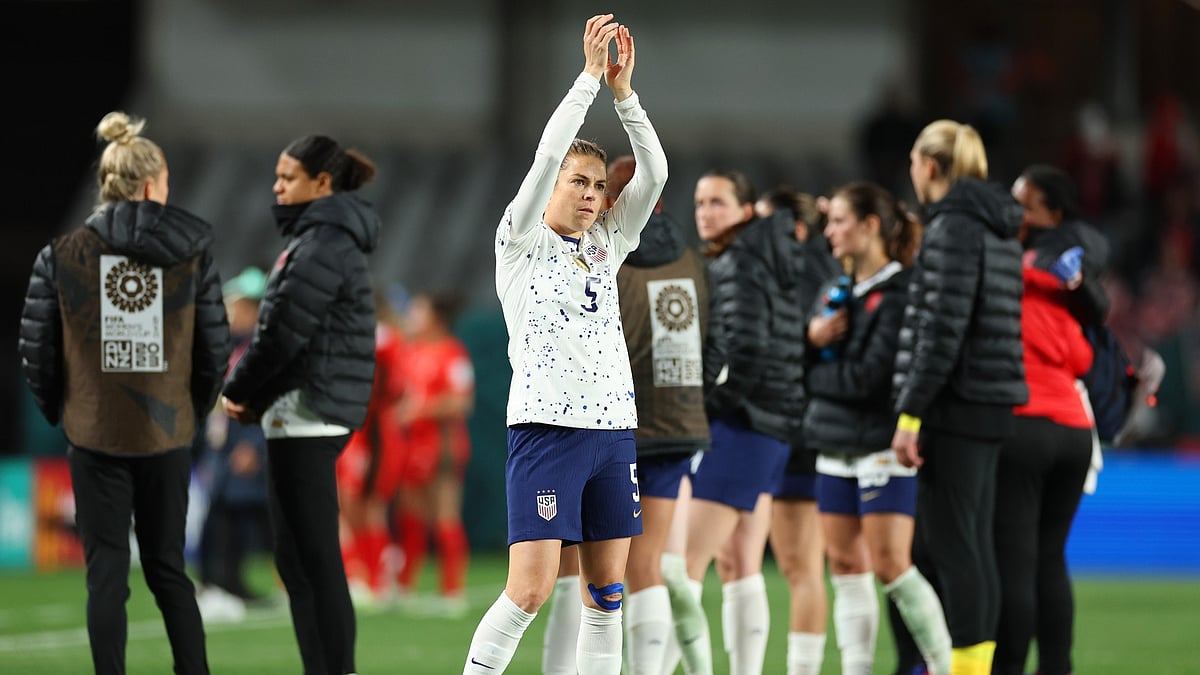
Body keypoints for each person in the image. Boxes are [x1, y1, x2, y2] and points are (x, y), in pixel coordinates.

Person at [462, 15, 667, 675]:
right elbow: (549, 153)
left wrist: (626, 97)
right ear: (549, 188)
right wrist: (586, 80)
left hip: (612, 432)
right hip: (547, 430)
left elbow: (656, 173)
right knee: (529, 589)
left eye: (598, 186)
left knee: (608, 592)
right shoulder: (519, 241)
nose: (590, 193)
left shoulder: (608, 243)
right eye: (578, 182)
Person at [19, 111, 230, 675]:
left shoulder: (60, 255)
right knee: (169, 571)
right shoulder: (192, 253)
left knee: (105, 573)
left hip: (93, 436)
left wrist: (65, 411)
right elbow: (214, 347)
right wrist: (191, 411)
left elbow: (37, 351)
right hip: (167, 434)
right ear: (148, 185)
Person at [540, 153, 709, 675]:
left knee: (572, 569)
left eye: (600, 191)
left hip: (610, 422)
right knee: (653, 568)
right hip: (681, 423)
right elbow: (716, 340)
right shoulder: (689, 258)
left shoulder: (609, 255)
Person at [222, 134, 381, 675]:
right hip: (304, 410)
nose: (277, 186)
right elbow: (289, 335)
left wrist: (241, 391)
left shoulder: (323, 243)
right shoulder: (321, 239)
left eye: (287, 177)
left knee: (314, 559)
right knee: (297, 558)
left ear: (322, 184)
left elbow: (284, 336)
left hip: (310, 413)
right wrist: (258, 396)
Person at [892, 120, 1028, 675]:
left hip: (956, 404)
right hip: (991, 402)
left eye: (913, 164)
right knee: (972, 548)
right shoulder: (997, 227)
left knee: (954, 552)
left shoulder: (952, 227)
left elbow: (941, 329)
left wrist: (910, 413)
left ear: (930, 166)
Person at [805, 182, 952, 675]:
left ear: (870, 226)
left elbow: (869, 380)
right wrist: (810, 342)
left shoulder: (901, 291)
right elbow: (807, 365)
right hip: (833, 447)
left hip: (879, 448)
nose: (831, 231)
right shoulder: (835, 290)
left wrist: (813, 372)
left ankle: (946, 665)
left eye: (840, 220)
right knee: (846, 569)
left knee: (891, 565)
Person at [685, 169, 808, 675]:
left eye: (718, 202)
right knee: (738, 564)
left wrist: (706, 407)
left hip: (743, 424)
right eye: (700, 203)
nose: (706, 213)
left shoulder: (739, 261)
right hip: (768, 425)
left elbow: (748, 352)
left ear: (746, 211)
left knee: (681, 568)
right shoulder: (766, 255)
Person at [992, 165, 1107, 675]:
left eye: (1025, 204)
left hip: (1024, 425)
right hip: (1075, 431)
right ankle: (1057, 668)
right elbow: (1084, 358)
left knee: (1014, 563)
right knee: (1051, 558)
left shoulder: (1009, 278)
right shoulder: (1064, 289)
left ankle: (1009, 668)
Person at [759, 186, 840, 675]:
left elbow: (797, 341)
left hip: (798, 428)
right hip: (795, 425)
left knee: (803, 567)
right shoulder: (815, 267)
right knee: (799, 567)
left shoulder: (803, 272)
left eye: (767, 222)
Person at [392, 291, 475, 615]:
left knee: (444, 514)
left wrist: (420, 410)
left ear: (436, 318)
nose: (412, 316)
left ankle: (452, 591)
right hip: (411, 446)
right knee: (410, 514)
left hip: (442, 445)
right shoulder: (410, 351)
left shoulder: (452, 353)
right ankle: (405, 586)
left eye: (418, 311)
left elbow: (461, 402)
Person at [197, 266, 272, 621]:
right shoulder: (231, 347)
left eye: (238, 307)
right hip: (222, 443)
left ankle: (228, 584)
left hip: (242, 441)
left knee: (238, 514)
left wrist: (254, 444)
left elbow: (268, 399)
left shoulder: (260, 349)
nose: (231, 314)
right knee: (222, 512)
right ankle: (218, 583)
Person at [336, 286, 409, 606]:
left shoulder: (383, 338)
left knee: (366, 507)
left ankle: (374, 579)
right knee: (353, 507)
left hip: (374, 434)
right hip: (360, 430)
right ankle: (365, 576)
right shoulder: (383, 338)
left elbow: (391, 388)